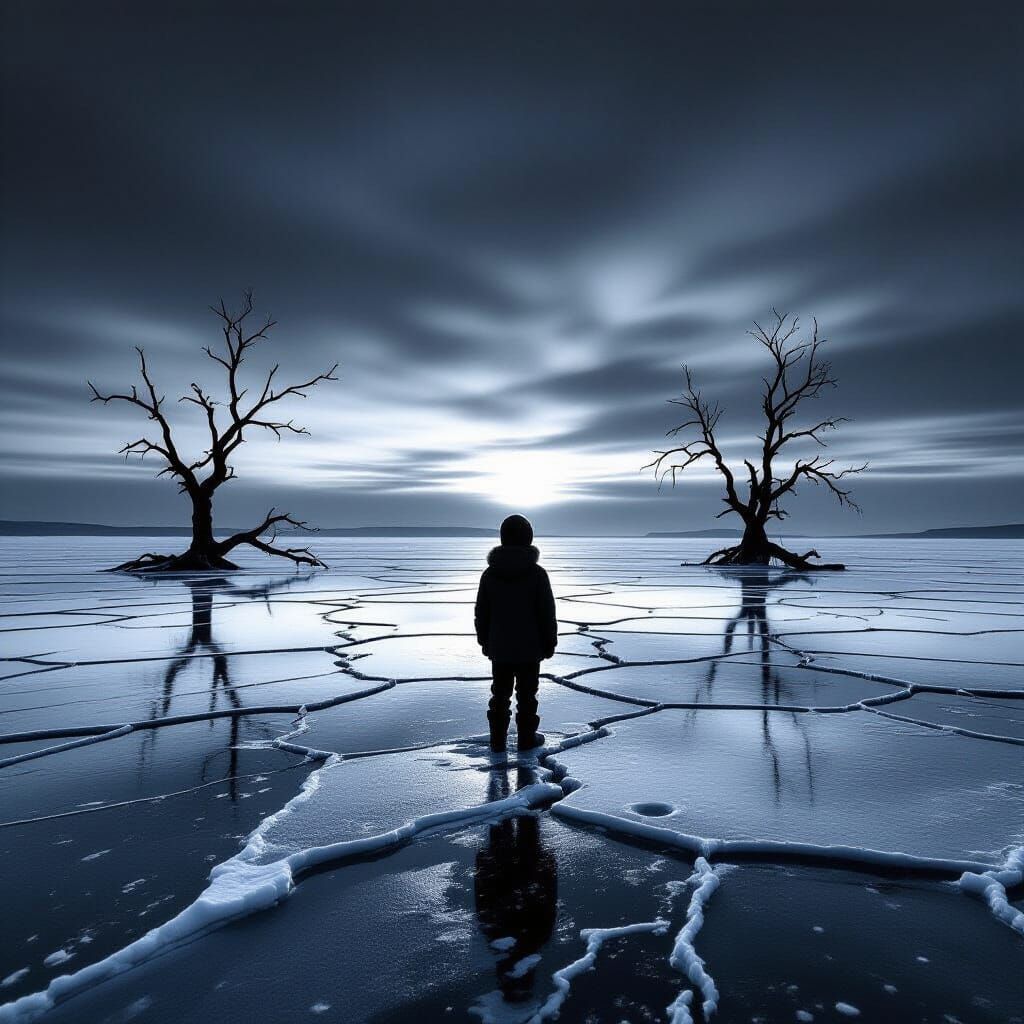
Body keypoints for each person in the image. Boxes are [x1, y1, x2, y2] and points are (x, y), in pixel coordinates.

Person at [474, 514, 557, 752]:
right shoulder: (537, 574)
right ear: (527, 538)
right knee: (527, 697)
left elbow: (482, 612)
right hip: (530, 649)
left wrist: (484, 640)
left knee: (500, 696)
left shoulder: (490, 574)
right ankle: (526, 740)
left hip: (500, 648)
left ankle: (497, 742)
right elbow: (546, 612)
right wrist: (549, 641)